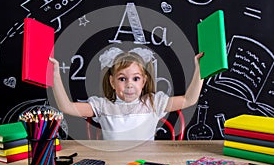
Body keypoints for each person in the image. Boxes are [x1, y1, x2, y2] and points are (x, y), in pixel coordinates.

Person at [49, 47, 204, 140]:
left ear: (143, 82)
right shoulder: (103, 106)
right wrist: (55, 74)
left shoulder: (153, 102)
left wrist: (200, 69)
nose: (129, 84)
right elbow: (67, 107)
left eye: (135, 78)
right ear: (112, 82)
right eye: (122, 78)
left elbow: (188, 99)